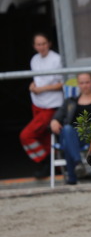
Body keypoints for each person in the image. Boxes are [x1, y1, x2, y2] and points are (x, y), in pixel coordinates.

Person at [20, 32, 64, 178]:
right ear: (34, 46)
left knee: (26, 135)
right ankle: (55, 168)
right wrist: (32, 85)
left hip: (51, 105)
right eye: (38, 44)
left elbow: (62, 83)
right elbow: (38, 79)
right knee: (44, 138)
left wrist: (42, 89)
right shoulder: (34, 59)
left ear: (49, 44)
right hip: (37, 104)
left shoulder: (57, 59)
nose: (42, 47)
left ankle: (45, 162)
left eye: (44, 43)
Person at [50, 72, 91, 185]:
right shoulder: (70, 101)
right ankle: (78, 163)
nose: (85, 85)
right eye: (82, 83)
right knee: (67, 130)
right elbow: (58, 116)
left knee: (68, 142)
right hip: (72, 134)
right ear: (78, 84)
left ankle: (72, 177)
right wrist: (54, 121)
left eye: (87, 82)